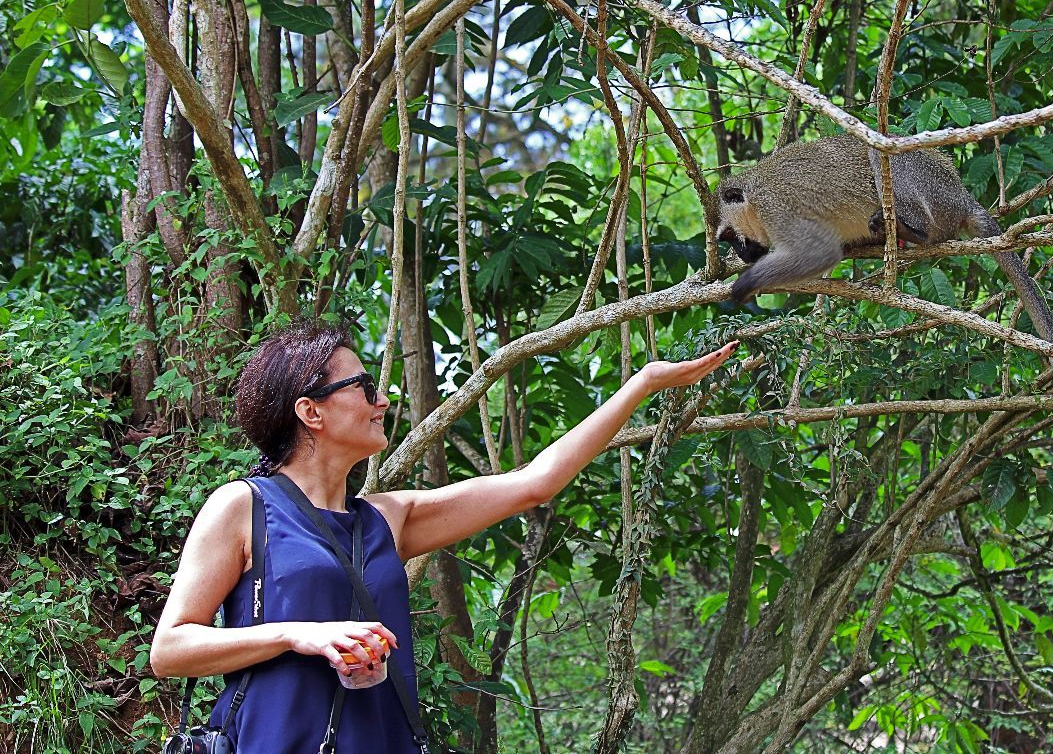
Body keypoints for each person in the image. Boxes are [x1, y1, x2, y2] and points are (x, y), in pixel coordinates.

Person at [149, 320, 738, 752]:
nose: (384, 400)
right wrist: (300, 634)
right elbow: (169, 651)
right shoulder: (241, 507)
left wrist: (642, 384)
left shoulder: (389, 517)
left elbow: (535, 483)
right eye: (363, 386)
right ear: (311, 412)